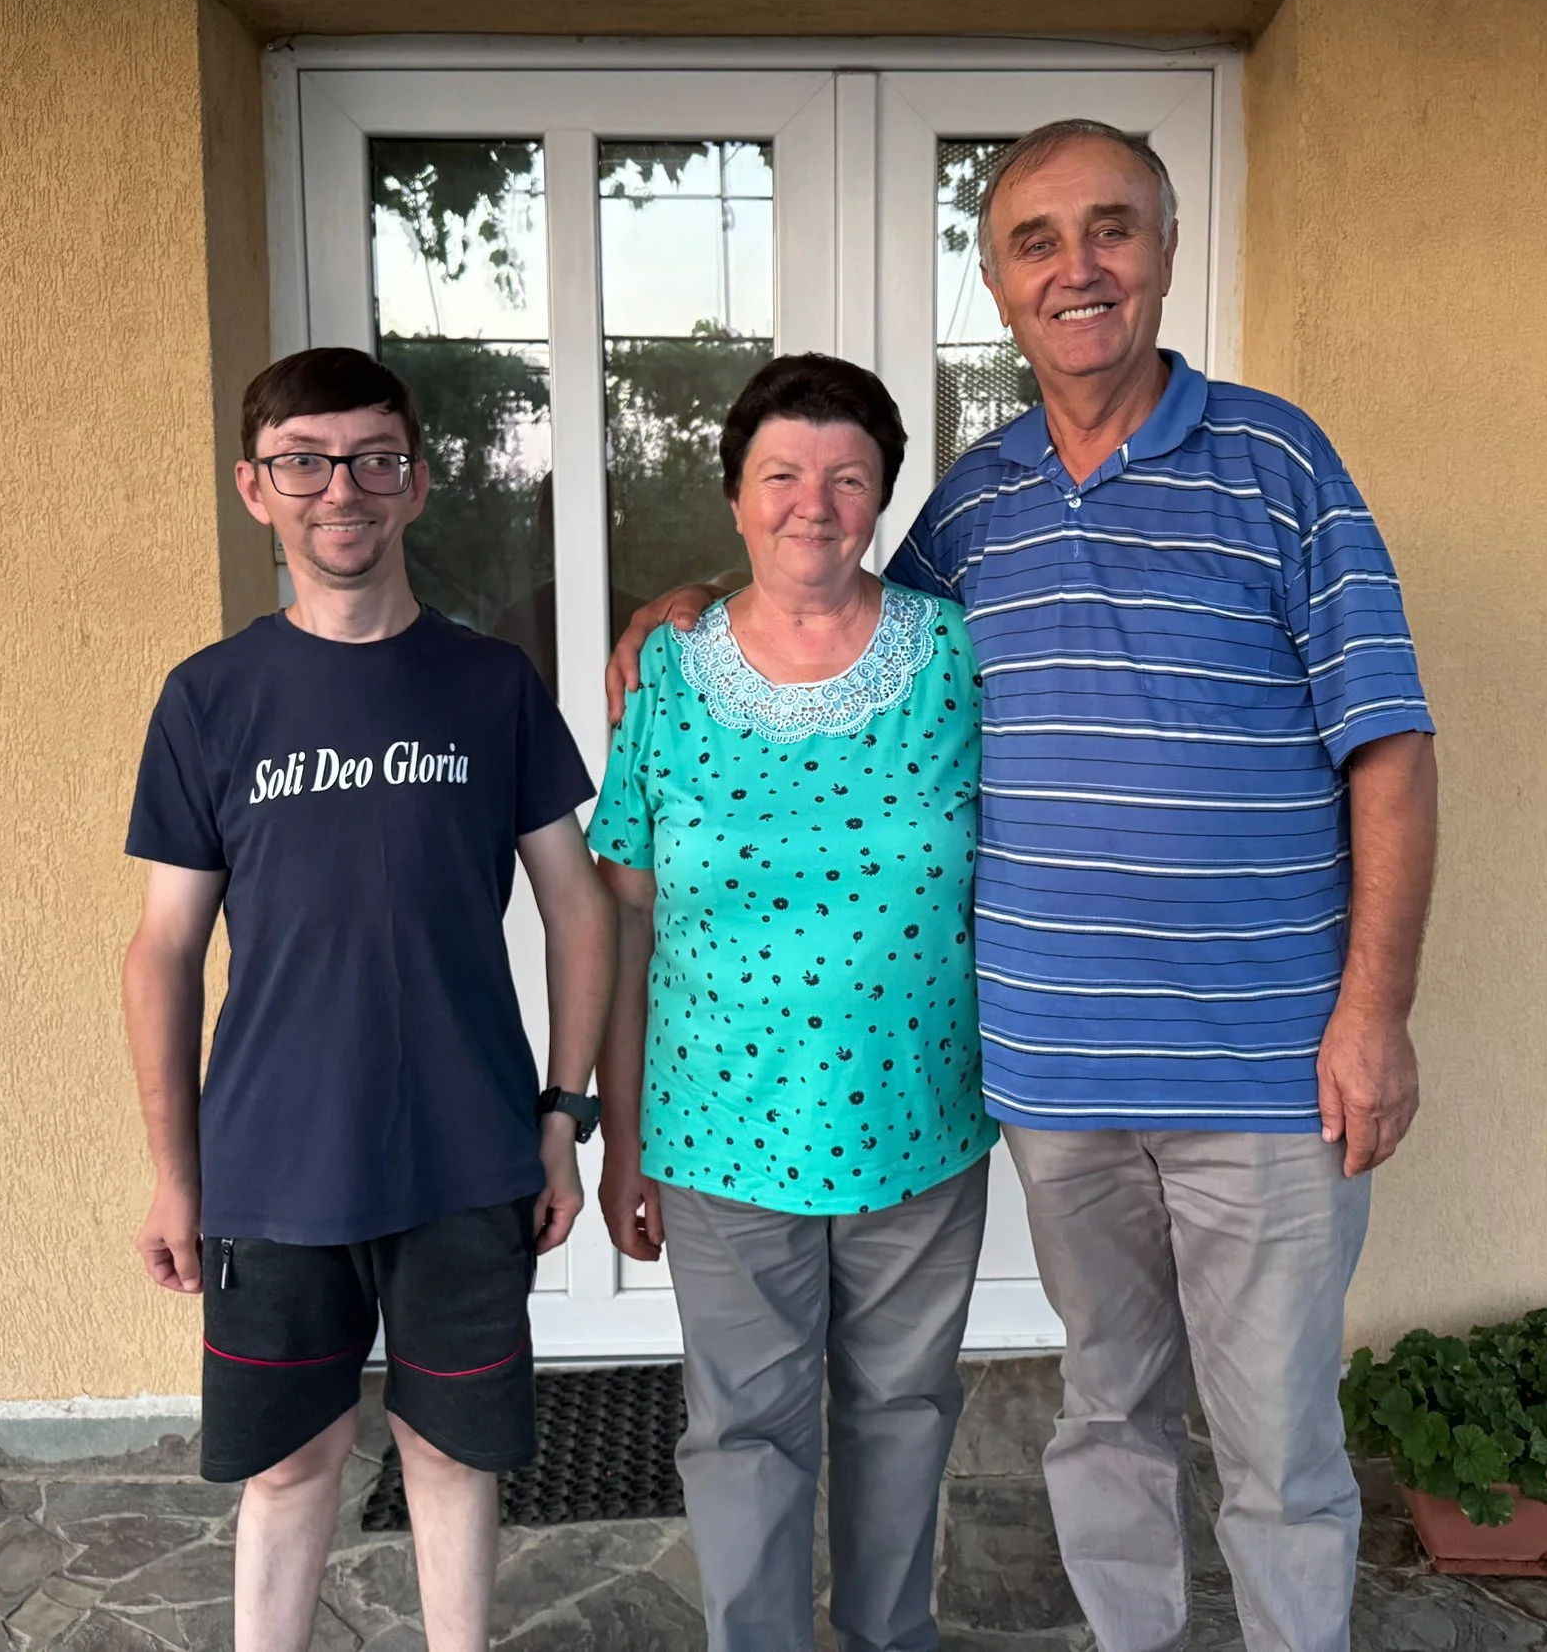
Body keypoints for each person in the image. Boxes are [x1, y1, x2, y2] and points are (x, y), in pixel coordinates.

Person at [607, 123, 1439, 1652]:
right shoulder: (978, 506)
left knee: (1278, 1448)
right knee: (1107, 1415)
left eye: (1111, 229)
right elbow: (827, 604)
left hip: (1266, 1071)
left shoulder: (1279, 462)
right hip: (1056, 1079)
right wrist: (682, 613)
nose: (1079, 267)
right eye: (1038, 240)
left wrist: (1373, 1008)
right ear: (996, 283)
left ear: (1166, 251)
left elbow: (1387, 745)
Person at [122, 347, 615, 1652]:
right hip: (275, 1161)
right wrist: (180, 1174)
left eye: (373, 458)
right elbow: (165, 948)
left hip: (463, 1155)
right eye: (304, 459)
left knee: (453, 1458)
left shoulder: (492, 685)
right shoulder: (210, 699)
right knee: (291, 1466)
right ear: (255, 486)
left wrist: (560, 1114)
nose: (339, 488)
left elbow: (581, 903)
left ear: (417, 483)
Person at [589, 353, 997, 1652]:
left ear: (882, 495)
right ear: (734, 495)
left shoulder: (956, 659)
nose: (811, 502)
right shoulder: (668, 675)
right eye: (781, 474)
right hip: (720, 1131)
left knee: (905, 1411)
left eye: (846, 475)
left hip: (921, 1118)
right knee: (743, 1433)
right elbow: (627, 916)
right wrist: (623, 1134)